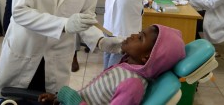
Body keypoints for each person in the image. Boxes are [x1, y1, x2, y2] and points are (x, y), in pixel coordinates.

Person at [38, 24, 186, 105]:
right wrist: (61, 98)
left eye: (140, 38)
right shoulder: (125, 67)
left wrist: (72, 99)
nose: (134, 35)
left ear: (147, 56)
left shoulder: (133, 85)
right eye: (138, 32)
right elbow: (92, 96)